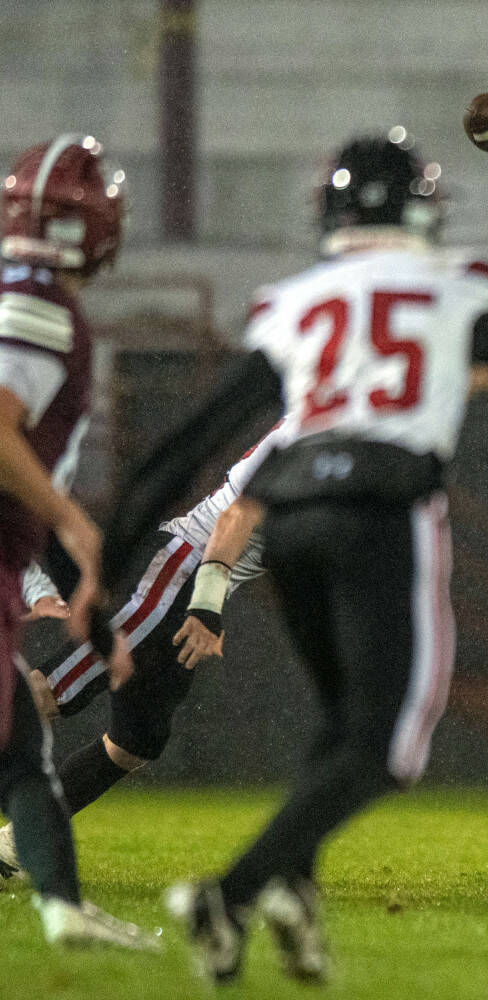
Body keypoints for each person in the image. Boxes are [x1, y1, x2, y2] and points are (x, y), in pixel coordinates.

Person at [94, 129, 488, 983]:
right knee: (389, 747)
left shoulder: (294, 302)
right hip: (384, 508)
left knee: (344, 729)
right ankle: (231, 892)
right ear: (423, 209)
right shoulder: (457, 287)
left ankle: (291, 900)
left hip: (290, 516)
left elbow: (188, 440)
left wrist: (107, 556)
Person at [0, 134, 157, 949]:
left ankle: (62, 907)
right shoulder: (32, 301)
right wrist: (68, 519)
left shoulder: (19, 289)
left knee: (22, 745)